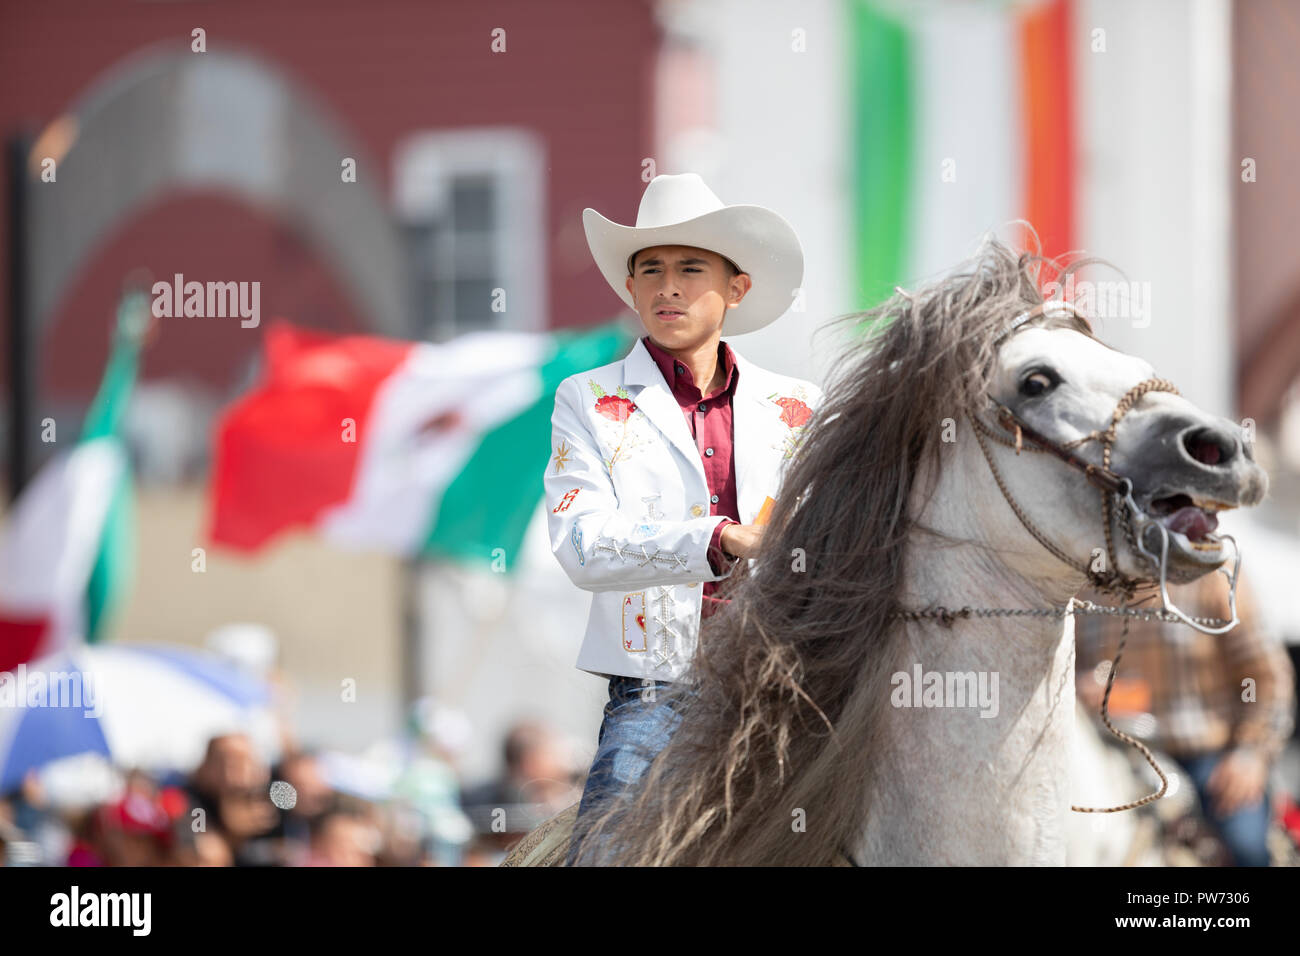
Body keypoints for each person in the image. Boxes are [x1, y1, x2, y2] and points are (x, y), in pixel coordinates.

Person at [546, 172, 823, 863]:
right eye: (651, 271)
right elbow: (581, 544)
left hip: (790, 686)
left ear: (736, 288)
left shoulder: (799, 405)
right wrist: (721, 537)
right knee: (605, 858)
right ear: (632, 290)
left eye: (689, 269)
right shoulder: (586, 398)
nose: (667, 287)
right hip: (651, 693)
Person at [1075, 572, 1295, 866]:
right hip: (1119, 755)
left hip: (1210, 760)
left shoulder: (1214, 576)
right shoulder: (1089, 584)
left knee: (1246, 847)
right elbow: (1066, 667)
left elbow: (1262, 678)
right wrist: (1081, 682)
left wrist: (1251, 754)